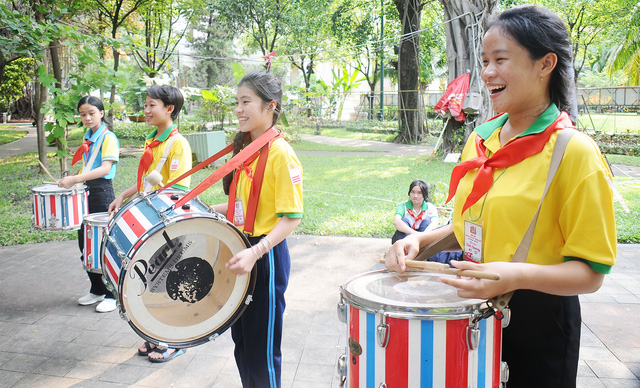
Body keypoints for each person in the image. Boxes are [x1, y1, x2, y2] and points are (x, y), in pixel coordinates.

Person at [385, 5, 616, 387]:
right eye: (484, 61)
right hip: (473, 310)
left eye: (500, 60)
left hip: (539, 322)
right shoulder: (481, 140)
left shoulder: (573, 152)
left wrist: (510, 276)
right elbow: (469, 226)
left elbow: (591, 273)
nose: (488, 72)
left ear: (545, 64)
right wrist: (419, 241)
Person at [210, 70, 303, 388]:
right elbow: (246, 207)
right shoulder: (247, 151)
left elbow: (291, 217)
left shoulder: (280, 153)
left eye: (246, 101)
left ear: (270, 106)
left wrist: (256, 251)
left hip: (265, 256)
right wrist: (207, 211)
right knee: (243, 345)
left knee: (262, 352)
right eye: (237, 102)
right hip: (243, 251)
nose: (238, 109)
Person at [108, 85, 192, 363]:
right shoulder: (152, 140)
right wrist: (123, 195)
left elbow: (178, 188)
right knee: (149, 280)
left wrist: (155, 194)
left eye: (151, 105)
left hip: (166, 221)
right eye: (145, 105)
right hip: (147, 218)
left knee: (169, 281)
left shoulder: (177, 143)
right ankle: (153, 336)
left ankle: (174, 342)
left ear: (169, 108)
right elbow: (146, 179)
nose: (146, 110)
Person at [57, 96, 119, 313]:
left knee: (102, 246)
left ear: (101, 113)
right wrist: (74, 180)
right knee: (85, 244)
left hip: (102, 192)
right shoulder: (89, 136)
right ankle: (97, 289)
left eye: (92, 112)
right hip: (86, 192)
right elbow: (88, 166)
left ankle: (113, 294)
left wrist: (75, 179)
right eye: (83, 114)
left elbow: (105, 168)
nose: (87, 117)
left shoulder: (108, 137)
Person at [392, 179, 439, 244]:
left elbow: (435, 223)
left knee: (426, 222)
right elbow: (396, 221)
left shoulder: (430, 207)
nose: (415, 196)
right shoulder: (403, 206)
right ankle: (403, 251)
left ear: (424, 195)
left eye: (419, 193)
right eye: (413, 192)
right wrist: (415, 234)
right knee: (404, 221)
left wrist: (422, 236)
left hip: (423, 238)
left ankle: (423, 251)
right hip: (406, 237)